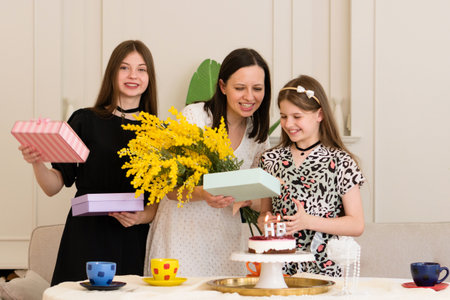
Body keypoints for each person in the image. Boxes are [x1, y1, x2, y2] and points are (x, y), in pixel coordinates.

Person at [19, 40, 159, 285]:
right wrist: (37, 162)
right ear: (112, 72)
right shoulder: (84, 120)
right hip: (85, 234)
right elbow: (53, 186)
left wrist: (139, 218)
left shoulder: (160, 133)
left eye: (141, 69)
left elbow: (159, 203)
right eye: (124, 68)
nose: (133, 75)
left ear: (149, 77)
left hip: (132, 238)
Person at [145, 48, 272, 277]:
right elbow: (169, 191)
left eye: (257, 89)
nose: (249, 97)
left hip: (225, 238)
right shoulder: (194, 117)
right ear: (223, 87)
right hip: (180, 235)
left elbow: (258, 199)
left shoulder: (257, 134)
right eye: (239, 88)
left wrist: (250, 199)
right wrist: (203, 194)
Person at [257, 74, 365, 277]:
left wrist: (308, 222)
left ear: (319, 115)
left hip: (325, 271)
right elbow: (265, 213)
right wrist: (265, 222)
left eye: (297, 117)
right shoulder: (269, 160)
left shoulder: (342, 162)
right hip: (279, 270)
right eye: (283, 116)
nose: (289, 124)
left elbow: (356, 224)